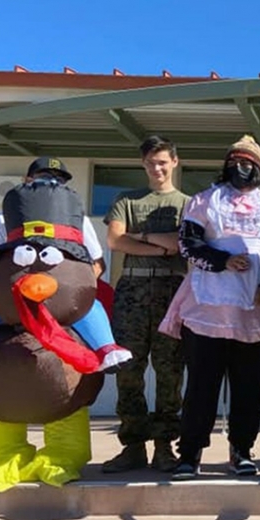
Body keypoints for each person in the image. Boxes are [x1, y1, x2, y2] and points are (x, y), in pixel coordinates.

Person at [0, 157, 130, 371]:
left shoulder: (79, 220)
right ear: (27, 180)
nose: (51, 182)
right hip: (16, 296)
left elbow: (97, 266)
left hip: (63, 297)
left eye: (58, 178)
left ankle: (105, 348)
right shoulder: (4, 219)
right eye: (44, 176)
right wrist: (12, 289)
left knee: (90, 307)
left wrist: (73, 289)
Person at [158, 136, 260, 480]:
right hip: (207, 312)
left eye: (249, 163)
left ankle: (241, 450)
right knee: (200, 386)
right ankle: (190, 453)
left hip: (256, 313)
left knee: (250, 388)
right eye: (235, 161)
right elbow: (188, 243)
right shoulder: (203, 200)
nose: (242, 168)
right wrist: (223, 260)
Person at [101, 136, 190, 474]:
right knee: (128, 370)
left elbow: (184, 244)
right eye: (151, 162)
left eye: (163, 161)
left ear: (174, 162)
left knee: (170, 372)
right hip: (132, 291)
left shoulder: (187, 203)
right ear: (143, 164)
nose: (157, 168)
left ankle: (165, 446)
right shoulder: (127, 199)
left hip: (172, 292)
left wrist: (139, 238)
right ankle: (133, 445)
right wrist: (161, 245)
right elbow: (114, 239)